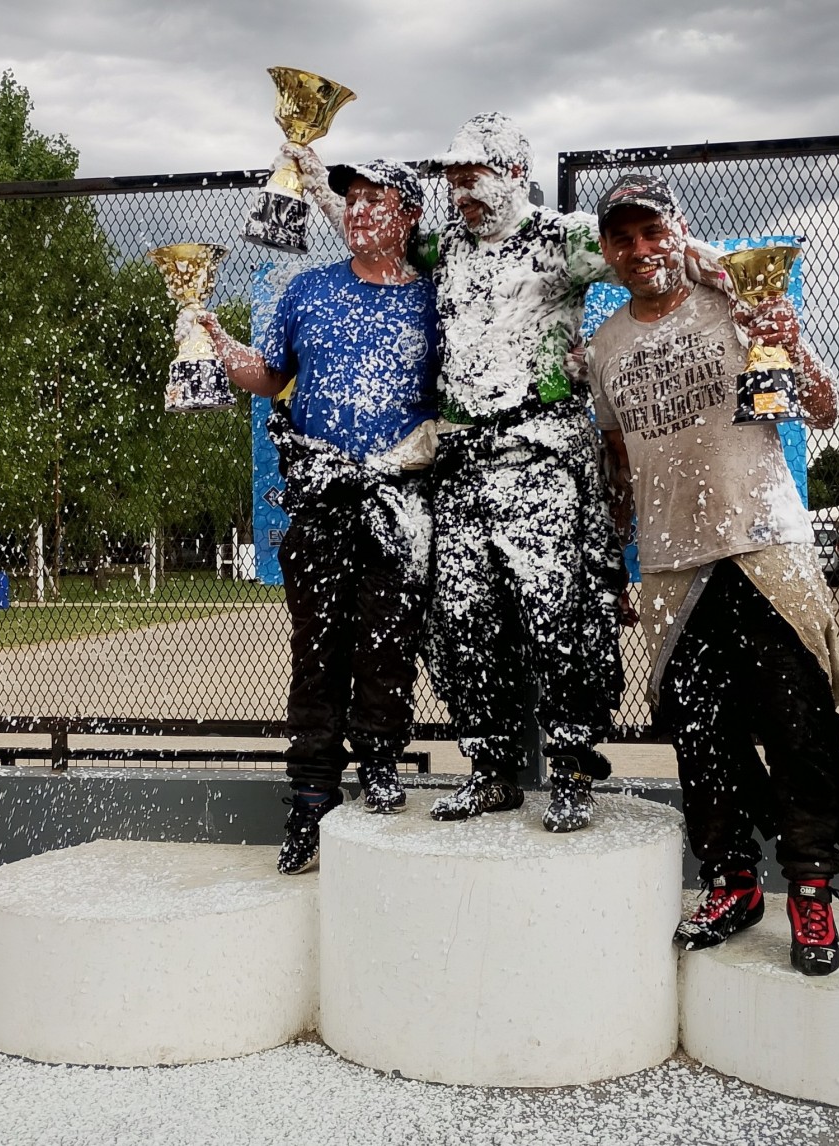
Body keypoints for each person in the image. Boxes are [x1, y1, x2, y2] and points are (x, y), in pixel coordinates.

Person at [286, 113, 724, 834]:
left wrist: (748, 283)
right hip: (461, 461)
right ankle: (489, 768)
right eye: (454, 180)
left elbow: (659, 254)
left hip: (541, 455)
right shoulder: (446, 244)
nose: (463, 193)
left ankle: (574, 769)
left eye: (474, 177)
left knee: (558, 618)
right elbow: (381, 232)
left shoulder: (563, 237)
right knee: (462, 619)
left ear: (515, 173)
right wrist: (314, 177)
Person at [587, 171, 839, 975]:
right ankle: (732, 879)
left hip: (763, 544)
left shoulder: (735, 305)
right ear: (607, 251)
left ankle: (811, 891)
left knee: (797, 723)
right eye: (624, 238)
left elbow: (823, 408)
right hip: (674, 561)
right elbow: (616, 456)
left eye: (653, 232)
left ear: (678, 230)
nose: (641, 250)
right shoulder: (607, 346)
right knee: (702, 733)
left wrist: (786, 333)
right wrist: (617, 546)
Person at [199, 159, 439, 874]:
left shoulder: (434, 301)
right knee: (318, 651)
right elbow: (269, 375)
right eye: (353, 200)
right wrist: (217, 344)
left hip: (400, 501)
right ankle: (309, 797)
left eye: (377, 200)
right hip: (320, 499)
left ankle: (381, 769)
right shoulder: (308, 290)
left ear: (410, 218)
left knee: (388, 645)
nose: (361, 211)